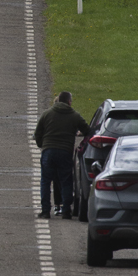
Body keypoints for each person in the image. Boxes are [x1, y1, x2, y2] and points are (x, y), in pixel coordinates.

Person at [33, 91, 90, 219]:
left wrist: (42, 144)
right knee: (66, 181)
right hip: (65, 151)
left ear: (58, 100)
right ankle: (66, 211)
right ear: (69, 101)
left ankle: (45, 211)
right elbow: (87, 130)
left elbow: (38, 133)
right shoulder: (74, 116)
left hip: (48, 151)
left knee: (46, 181)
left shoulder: (47, 114)